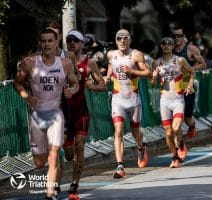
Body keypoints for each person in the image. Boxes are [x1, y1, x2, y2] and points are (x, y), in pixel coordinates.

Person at [13, 28, 79, 200]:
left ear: (56, 42)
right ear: (40, 43)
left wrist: (72, 89)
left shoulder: (65, 64)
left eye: (50, 41)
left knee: (54, 153)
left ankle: (50, 193)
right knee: (39, 162)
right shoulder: (30, 63)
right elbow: (16, 82)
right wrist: (26, 96)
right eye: (44, 41)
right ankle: (50, 174)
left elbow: (75, 82)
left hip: (56, 115)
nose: (47, 44)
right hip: (36, 117)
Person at [64, 29, 107, 198]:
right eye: (69, 40)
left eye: (75, 40)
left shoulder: (90, 63)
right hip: (64, 113)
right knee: (68, 153)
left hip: (81, 112)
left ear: (82, 44)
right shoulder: (60, 62)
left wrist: (93, 86)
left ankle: (74, 186)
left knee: (79, 146)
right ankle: (70, 160)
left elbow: (103, 85)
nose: (72, 43)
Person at [105, 29, 151, 178]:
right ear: (116, 40)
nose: (122, 41)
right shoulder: (111, 55)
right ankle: (120, 166)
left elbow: (148, 73)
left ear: (130, 40)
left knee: (135, 132)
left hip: (134, 99)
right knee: (118, 130)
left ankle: (140, 147)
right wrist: (106, 78)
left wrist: (133, 71)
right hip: (118, 99)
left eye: (125, 38)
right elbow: (110, 70)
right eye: (119, 38)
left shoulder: (136, 55)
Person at [152, 37, 195, 168]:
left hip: (178, 100)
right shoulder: (157, 62)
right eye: (163, 43)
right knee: (169, 132)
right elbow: (153, 84)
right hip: (164, 100)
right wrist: (154, 78)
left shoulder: (179, 60)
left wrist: (190, 86)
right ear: (161, 46)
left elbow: (192, 72)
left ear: (172, 46)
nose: (166, 46)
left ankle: (181, 142)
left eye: (169, 44)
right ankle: (174, 157)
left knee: (176, 128)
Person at [172, 25, 206, 139]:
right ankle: (179, 145)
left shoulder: (191, 49)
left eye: (179, 36)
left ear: (183, 37)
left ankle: (192, 125)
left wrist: (190, 69)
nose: (177, 38)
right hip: (173, 89)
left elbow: (203, 64)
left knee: (187, 119)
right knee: (176, 119)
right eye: (174, 36)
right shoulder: (168, 49)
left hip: (188, 88)